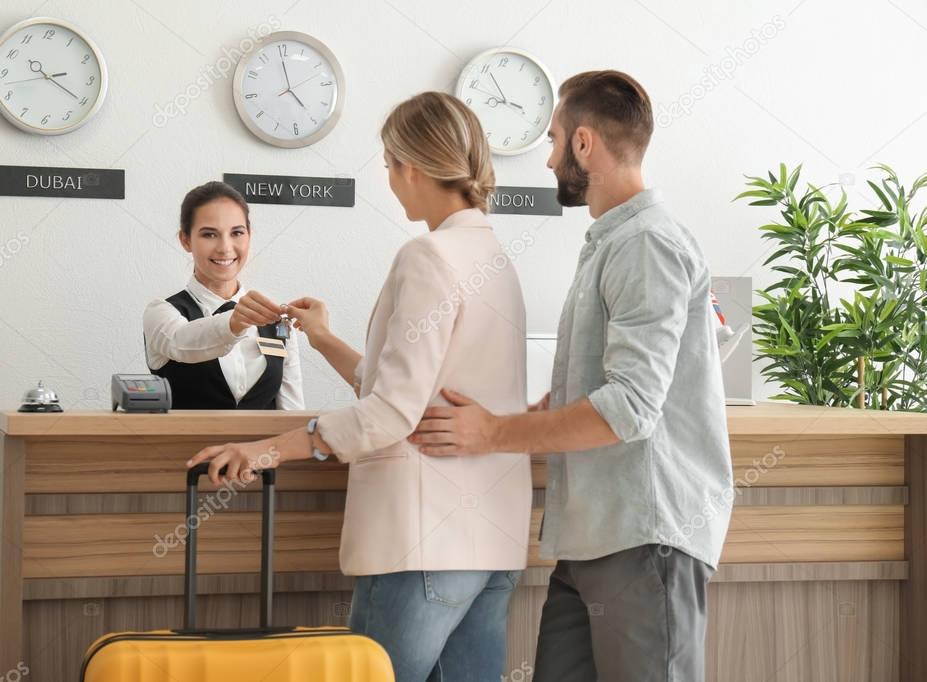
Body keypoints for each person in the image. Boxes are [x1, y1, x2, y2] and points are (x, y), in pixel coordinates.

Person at [186, 92, 532, 682]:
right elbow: (415, 387)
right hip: (491, 543)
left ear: (413, 167)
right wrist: (322, 338)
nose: (390, 180)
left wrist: (263, 451)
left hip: (421, 542)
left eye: (390, 164)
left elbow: (389, 414)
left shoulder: (427, 254)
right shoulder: (494, 256)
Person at [408, 71, 734, 681]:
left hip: (643, 536)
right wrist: (548, 409)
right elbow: (628, 381)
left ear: (585, 144)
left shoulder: (646, 244)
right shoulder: (613, 243)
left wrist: (493, 433)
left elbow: (633, 406)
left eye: (555, 139)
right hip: (592, 538)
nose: (552, 156)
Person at [143, 181, 303, 410]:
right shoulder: (160, 313)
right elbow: (181, 342)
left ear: (249, 236)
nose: (225, 248)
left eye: (237, 232)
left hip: (265, 447)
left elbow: (291, 413)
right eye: (209, 235)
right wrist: (234, 322)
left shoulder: (278, 322)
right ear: (186, 240)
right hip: (185, 447)